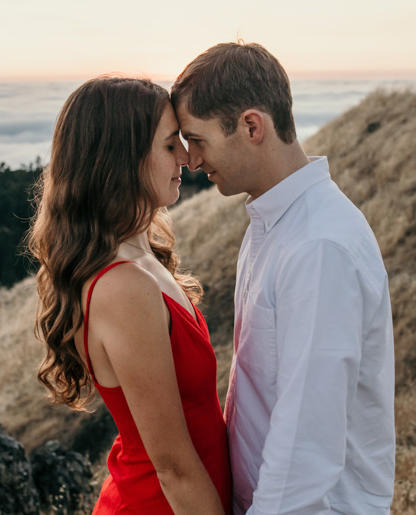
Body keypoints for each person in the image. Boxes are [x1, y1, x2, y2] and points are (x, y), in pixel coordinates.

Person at [171, 43, 396, 515]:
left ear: (252, 126)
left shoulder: (318, 247)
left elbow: (305, 443)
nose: (191, 161)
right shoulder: (276, 224)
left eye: (199, 139)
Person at [28, 76, 231, 514]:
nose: (187, 156)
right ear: (123, 159)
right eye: (168, 145)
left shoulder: (143, 261)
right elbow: (173, 467)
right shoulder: (124, 288)